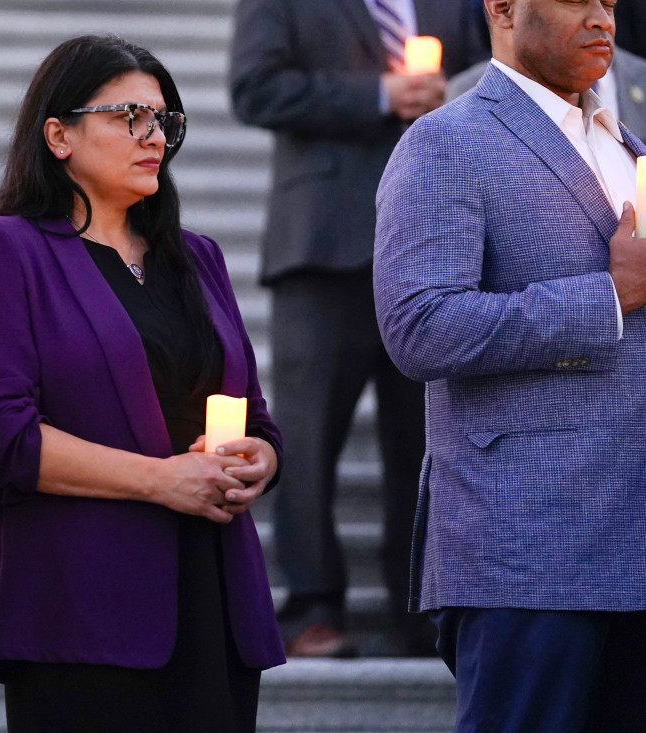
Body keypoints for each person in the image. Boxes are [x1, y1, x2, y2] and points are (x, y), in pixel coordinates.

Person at [0, 35, 285, 733]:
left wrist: (262, 458)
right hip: (82, 606)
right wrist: (161, 480)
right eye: (127, 116)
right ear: (58, 134)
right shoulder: (6, 248)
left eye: (163, 120)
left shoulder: (197, 257)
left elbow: (254, 414)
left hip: (213, 595)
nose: (152, 135)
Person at [375, 0, 646, 729]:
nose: (601, 17)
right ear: (501, 9)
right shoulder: (445, 142)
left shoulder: (633, 145)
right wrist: (610, 295)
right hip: (527, 550)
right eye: (576, 0)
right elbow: (419, 327)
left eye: (610, 3)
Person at [228, 0, 488, 657]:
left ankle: (420, 607)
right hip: (321, 241)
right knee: (308, 436)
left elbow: (495, 69)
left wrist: (447, 92)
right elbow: (254, 86)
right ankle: (312, 604)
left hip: (434, 240)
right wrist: (378, 93)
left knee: (426, 439)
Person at [447, 48, 646, 137]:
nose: (595, 17)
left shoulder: (640, 77)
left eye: (606, 4)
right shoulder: (468, 90)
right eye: (572, 3)